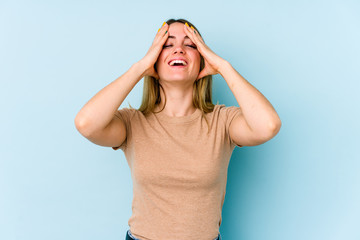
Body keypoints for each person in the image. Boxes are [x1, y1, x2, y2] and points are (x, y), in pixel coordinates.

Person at [74, 18, 281, 240]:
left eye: (191, 45)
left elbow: (267, 126)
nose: (179, 50)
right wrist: (140, 68)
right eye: (167, 44)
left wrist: (223, 67)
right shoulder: (133, 123)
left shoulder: (223, 122)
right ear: (154, 58)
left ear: (202, 60)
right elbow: (86, 123)